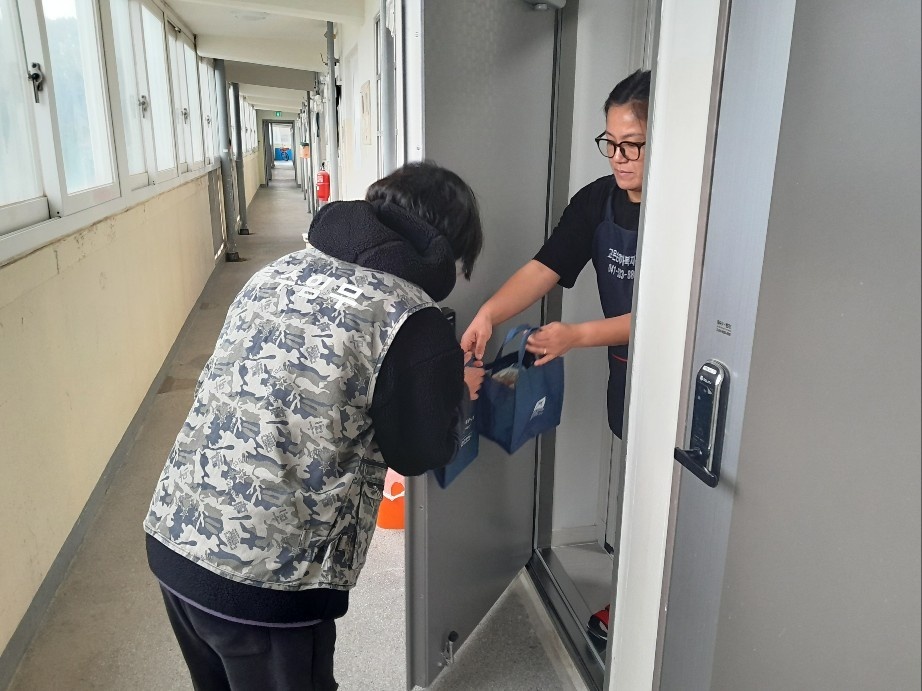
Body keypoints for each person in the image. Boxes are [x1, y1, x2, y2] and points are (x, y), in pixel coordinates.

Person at [144, 161, 485, 690]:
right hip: (264, 580)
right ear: (445, 244)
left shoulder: (281, 269)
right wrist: (457, 391)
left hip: (176, 534)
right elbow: (418, 452)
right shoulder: (410, 317)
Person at [461, 69, 651, 641]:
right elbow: (546, 267)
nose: (618, 158)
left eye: (633, 145)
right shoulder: (598, 201)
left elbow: (675, 318)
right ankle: (633, 605)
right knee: (639, 494)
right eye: (610, 142)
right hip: (627, 374)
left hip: (678, 378)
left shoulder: (690, 210)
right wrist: (489, 313)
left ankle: (651, 619)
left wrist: (577, 335)